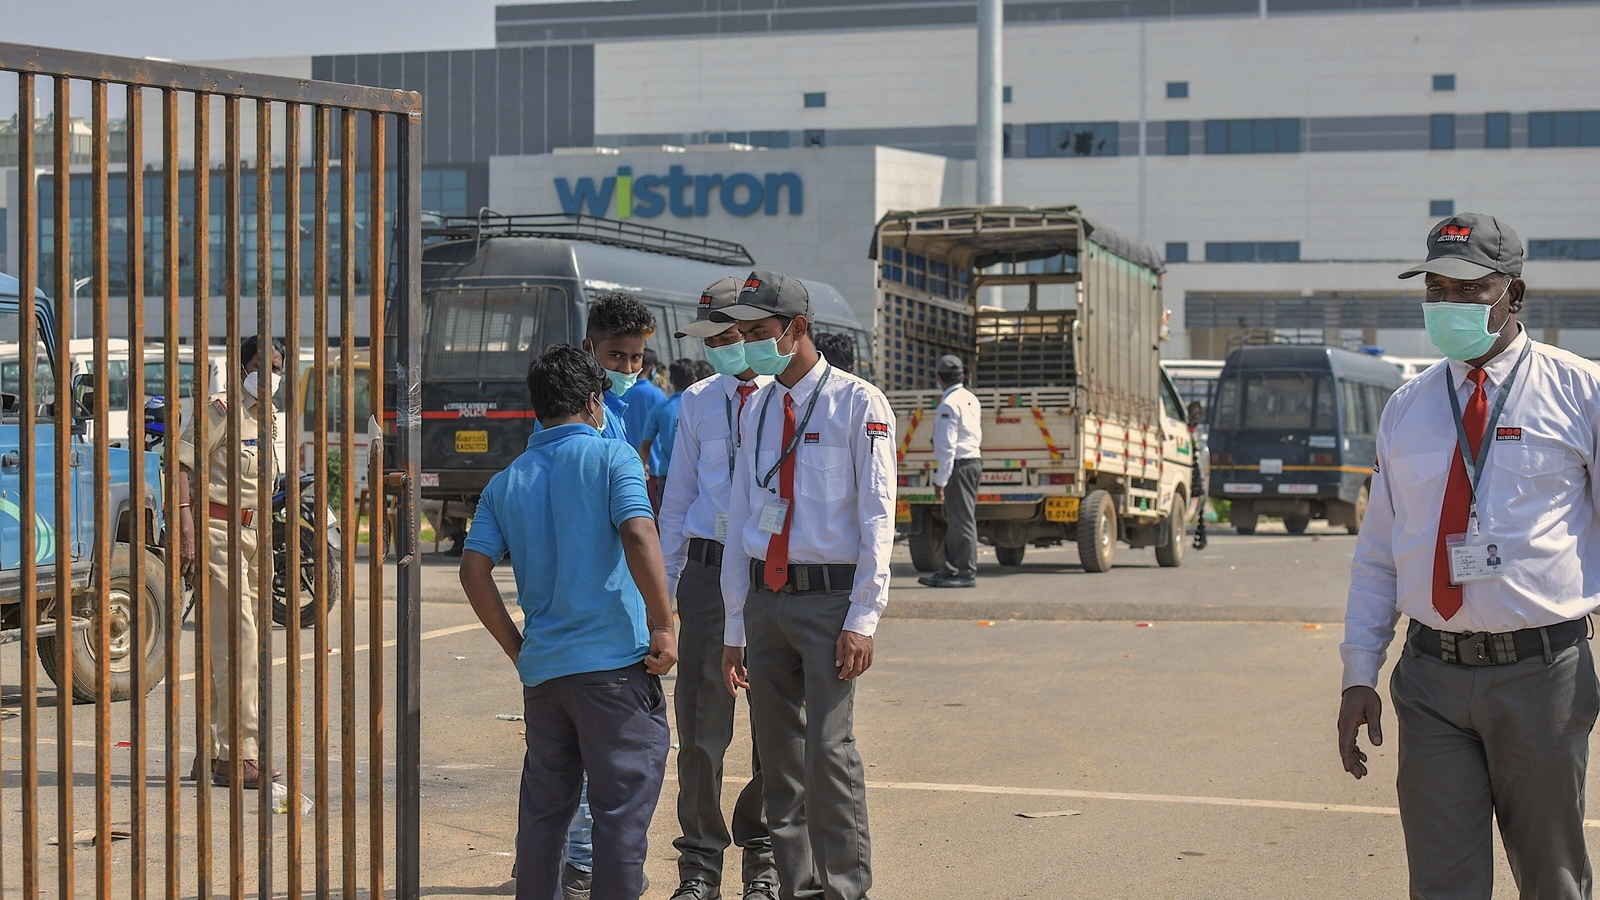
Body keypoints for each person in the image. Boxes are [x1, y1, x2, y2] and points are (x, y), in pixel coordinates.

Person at [1338, 213, 1600, 899]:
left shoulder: (1581, 392)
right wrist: (1358, 674)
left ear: (1515, 294)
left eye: (1469, 289)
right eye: (1435, 288)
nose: (1447, 305)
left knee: (1554, 881)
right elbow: (1378, 556)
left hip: (1543, 677)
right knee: (1443, 885)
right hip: (1431, 680)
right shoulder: (1406, 408)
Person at [460, 344, 677, 900]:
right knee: (620, 820)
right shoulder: (613, 457)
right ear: (593, 401)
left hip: (547, 676)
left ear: (538, 408)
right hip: (614, 671)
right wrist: (664, 625)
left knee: (544, 816)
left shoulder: (507, 480)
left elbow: (473, 571)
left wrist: (517, 647)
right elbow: (638, 533)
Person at [718, 270, 894, 900]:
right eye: (745, 334)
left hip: (828, 602)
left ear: (797, 329)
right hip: (767, 602)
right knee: (779, 765)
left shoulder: (858, 403)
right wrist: (735, 628)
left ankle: (844, 888)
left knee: (829, 752)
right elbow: (742, 515)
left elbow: (878, 517)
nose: (751, 345)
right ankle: (800, 887)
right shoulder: (760, 407)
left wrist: (863, 619)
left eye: (762, 333)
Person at [658, 277, 778, 900]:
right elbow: (677, 502)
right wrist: (660, 600)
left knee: (773, 724)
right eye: (713, 341)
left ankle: (763, 856)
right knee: (702, 729)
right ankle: (699, 864)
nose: (724, 350)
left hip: (767, 575)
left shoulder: (790, 402)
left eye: (731, 337)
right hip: (706, 576)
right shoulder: (697, 402)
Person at [176, 334, 285, 789]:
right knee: (237, 643)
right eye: (264, 364)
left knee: (241, 644)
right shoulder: (221, 410)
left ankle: (218, 754)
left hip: (256, 535)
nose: (272, 374)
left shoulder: (273, 418)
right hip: (217, 531)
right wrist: (185, 532)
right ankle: (243, 755)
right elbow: (181, 465)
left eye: (278, 367)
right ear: (243, 368)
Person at [919, 354, 982, 589]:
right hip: (972, 462)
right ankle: (950, 569)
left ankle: (965, 572)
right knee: (957, 520)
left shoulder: (948, 404)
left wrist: (940, 481)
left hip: (959, 465)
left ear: (939, 379)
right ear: (962, 376)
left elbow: (947, 447)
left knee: (961, 521)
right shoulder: (970, 399)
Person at [637, 358, 696, 493]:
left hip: (668, 476)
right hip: (697, 475)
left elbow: (646, 445)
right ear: (695, 379)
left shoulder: (660, 410)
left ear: (671, 381)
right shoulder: (703, 407)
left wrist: (641, 467)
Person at [624, 348, 668, 494]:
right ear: (652, 368)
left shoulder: (621, 392)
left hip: (628, 468)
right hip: (655, 466)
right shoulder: (657, 394)